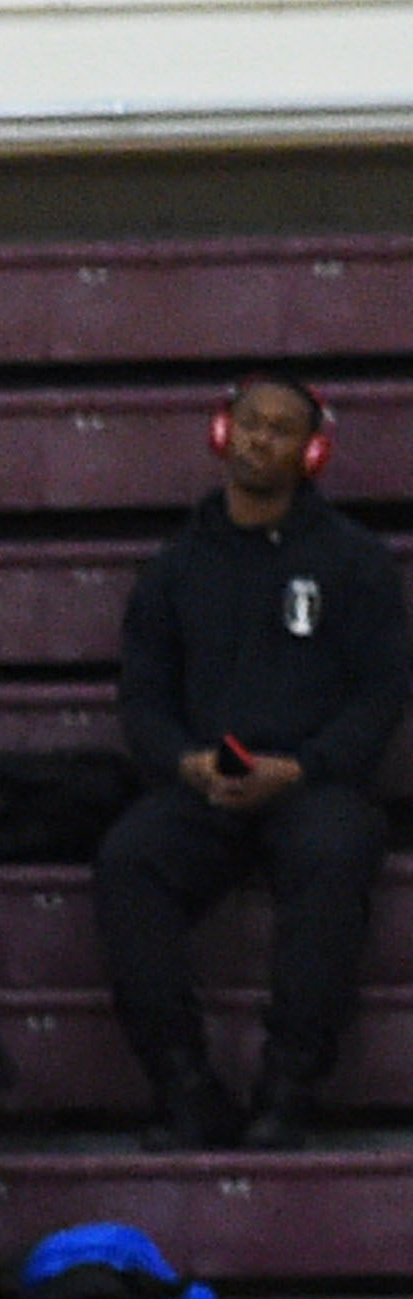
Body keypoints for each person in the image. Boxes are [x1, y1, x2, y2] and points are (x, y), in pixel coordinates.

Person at [93, 369, 409, 1150]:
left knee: (335, 853)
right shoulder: (173, 568)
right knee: (129, 859)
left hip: (314, 782)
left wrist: (305, 768)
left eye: (282, 429)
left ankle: (289, 1087)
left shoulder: (355, 562)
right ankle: (184, 1088)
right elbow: (144, 701)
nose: (262, 440)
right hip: (206, 785)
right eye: (251, 423)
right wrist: (188, 764)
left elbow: (381, 695)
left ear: (313, 451)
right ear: (221, 433)